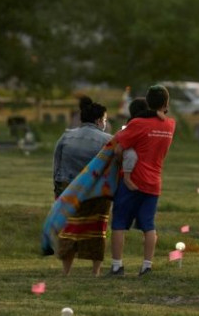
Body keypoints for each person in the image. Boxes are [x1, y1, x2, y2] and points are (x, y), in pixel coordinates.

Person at [109, 85, 175, 276]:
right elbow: (161, 116)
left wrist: (121, 163)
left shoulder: (137, 124)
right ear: (166, 103)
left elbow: (119, 148)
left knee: (119, 223)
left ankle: (117, 266)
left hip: (132, 180)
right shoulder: (170, 125)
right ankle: (147, 265)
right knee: (148, 225)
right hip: (154, 182)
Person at [52, 96, 112, 276]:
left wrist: (57, 190)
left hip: (68, 189)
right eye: (105, 119)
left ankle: (66, 271)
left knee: (69, 229)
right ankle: (95, 271)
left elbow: (57, 164)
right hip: (96, 192)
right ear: (99, 120)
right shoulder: (107, 139)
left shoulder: (66, 136)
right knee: (96, 230)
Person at [122, 97, 157, 191]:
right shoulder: (138, 121)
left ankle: (127, 177)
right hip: (132, 151)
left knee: (131, 155)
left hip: (131, 150)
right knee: (131, 155)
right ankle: (127, 178)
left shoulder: (134, 121)